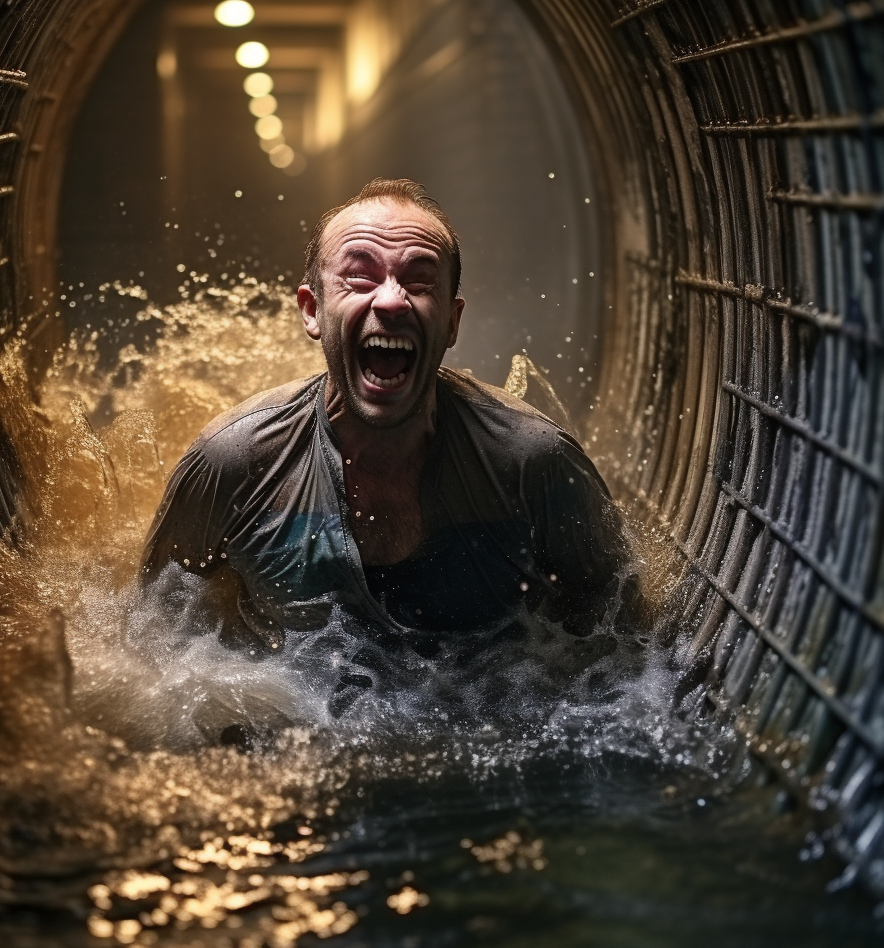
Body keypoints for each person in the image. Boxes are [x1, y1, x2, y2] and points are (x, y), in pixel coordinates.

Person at [142, 179, 630, 647]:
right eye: (359, 277)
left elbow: (623, 637)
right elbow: (151, 642)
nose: (393, 299)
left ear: (452, 321)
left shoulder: (533, 464)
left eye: (420, 281)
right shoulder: (234, 463)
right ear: (312, 311)